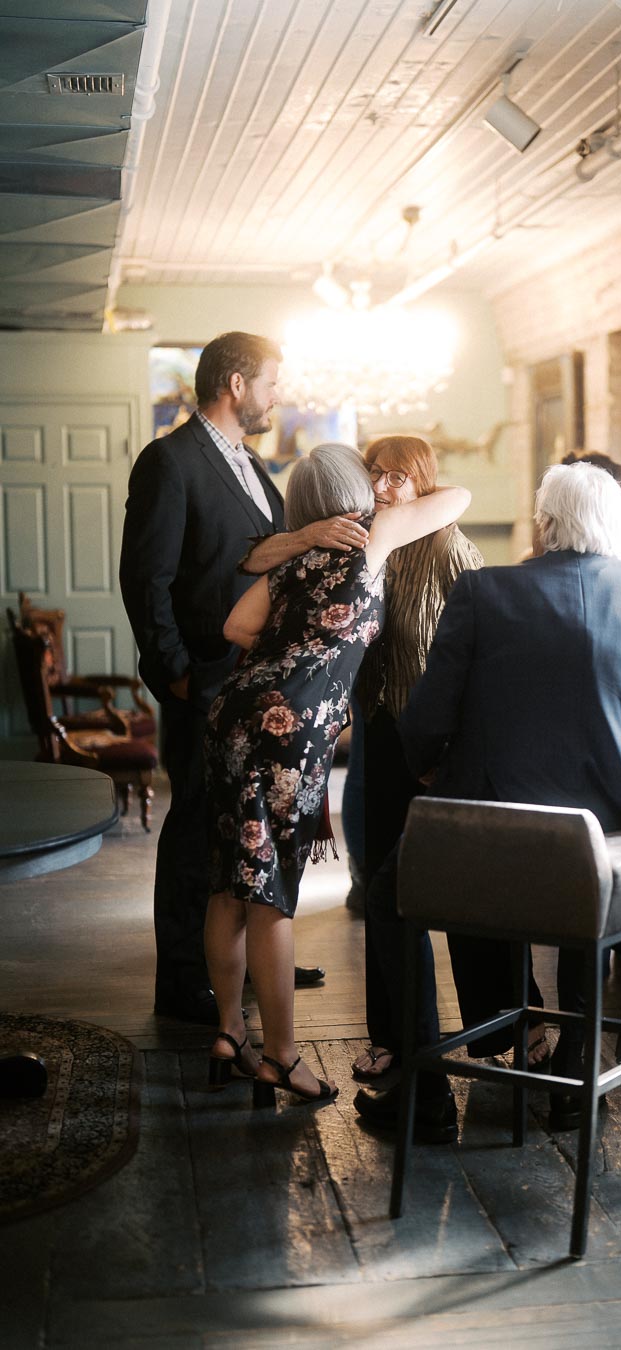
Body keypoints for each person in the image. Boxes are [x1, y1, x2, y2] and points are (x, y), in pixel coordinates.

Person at [354, 462, 621, 1137]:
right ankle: (578, 1075)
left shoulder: (483, 592)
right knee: (588, 897)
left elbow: (424, 720)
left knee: (385, 895)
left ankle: (424, 1093)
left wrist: (435, 772)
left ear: (545, 526)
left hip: (495, 840)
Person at [202, 443, 471, 1103]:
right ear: (353, 493)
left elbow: (235, 624)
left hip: (232, 715)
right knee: (273, 890)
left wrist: (290, 644)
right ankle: (284, 1058)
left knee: (230, 882)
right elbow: (456, 498)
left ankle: (229, 1032)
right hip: (287, 731)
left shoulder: (291, 560)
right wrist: (315, 660)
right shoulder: (369, 543)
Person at [119, 332, 368, 1024]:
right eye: (270, 383)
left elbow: (255, 553)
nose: (276, 396)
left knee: (246, 831)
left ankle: (258, 962)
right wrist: (174, 674)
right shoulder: (168, 462)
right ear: (234, 383)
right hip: (202, 680)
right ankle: (182, 983)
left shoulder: (251, 464)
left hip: (255, 688)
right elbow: (147, 581)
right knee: (198, 832)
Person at [350, 435, 483, 1082]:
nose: (381, 487)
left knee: (459, 885)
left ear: (423, 484)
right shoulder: (363, 541)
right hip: (379, 734)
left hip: (436, 742)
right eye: (374, 473)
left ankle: (508, 1022)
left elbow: (480, 649)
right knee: (382, 887)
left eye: (397, 477)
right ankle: (395, 1038)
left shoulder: (449, 546)